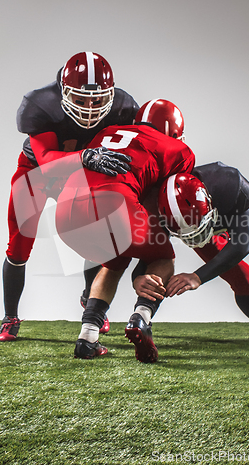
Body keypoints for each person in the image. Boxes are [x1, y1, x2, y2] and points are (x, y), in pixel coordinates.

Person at [0, 52, 139, 342]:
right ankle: (10, 317)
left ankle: (90, 298)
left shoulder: (124, 108)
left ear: (110, 96)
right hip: (36, 173)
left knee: (93, 234)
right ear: (62, 93)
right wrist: (86, 155)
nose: (89, 107)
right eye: (81, 100)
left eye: (97, 101)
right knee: (19, 245)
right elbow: (46, 159)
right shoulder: (41, 104)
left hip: (80, 173)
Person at [54, 99, 195, 360]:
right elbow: (164, 199)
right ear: (175, 131)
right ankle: (141, 317)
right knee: (164, 257)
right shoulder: (179, 149)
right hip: (116, 207)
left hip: (65, 213)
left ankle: (88, 336)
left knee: (115, 258)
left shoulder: (106, 132)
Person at [132, 165, 249, 351]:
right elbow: (152, 255)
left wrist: (197, 277)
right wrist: (137, 279)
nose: (194, 239)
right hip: (203, 225)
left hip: (230, 217)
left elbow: (243, 244)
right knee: (243, 280)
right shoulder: (154, 211)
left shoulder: (228, 186)